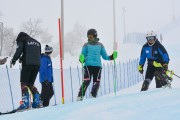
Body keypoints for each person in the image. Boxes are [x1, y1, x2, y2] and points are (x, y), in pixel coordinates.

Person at [77, 28, 117, 101]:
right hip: (88, 66)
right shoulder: (86, 45)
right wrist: (81, 59)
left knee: (96, 82)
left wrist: (112, 57)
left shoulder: (100, 45)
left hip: (98, 67)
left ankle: (93, 95)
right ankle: (80, 96)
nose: (89, 38)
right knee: (87, 80)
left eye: (91, 37)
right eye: (88, 37)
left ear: (95, 36)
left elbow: (105, 56)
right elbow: (82, 55)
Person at [10, 32, 42, 110]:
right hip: (37, 65)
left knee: (24, 84)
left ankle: (25, 104)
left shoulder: (23, 40)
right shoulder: (37, 42)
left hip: (27, 64)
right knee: (30, 84)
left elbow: (19, 50)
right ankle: (37, 102)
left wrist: (14, 59)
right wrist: (22, 58)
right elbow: (35, 54)